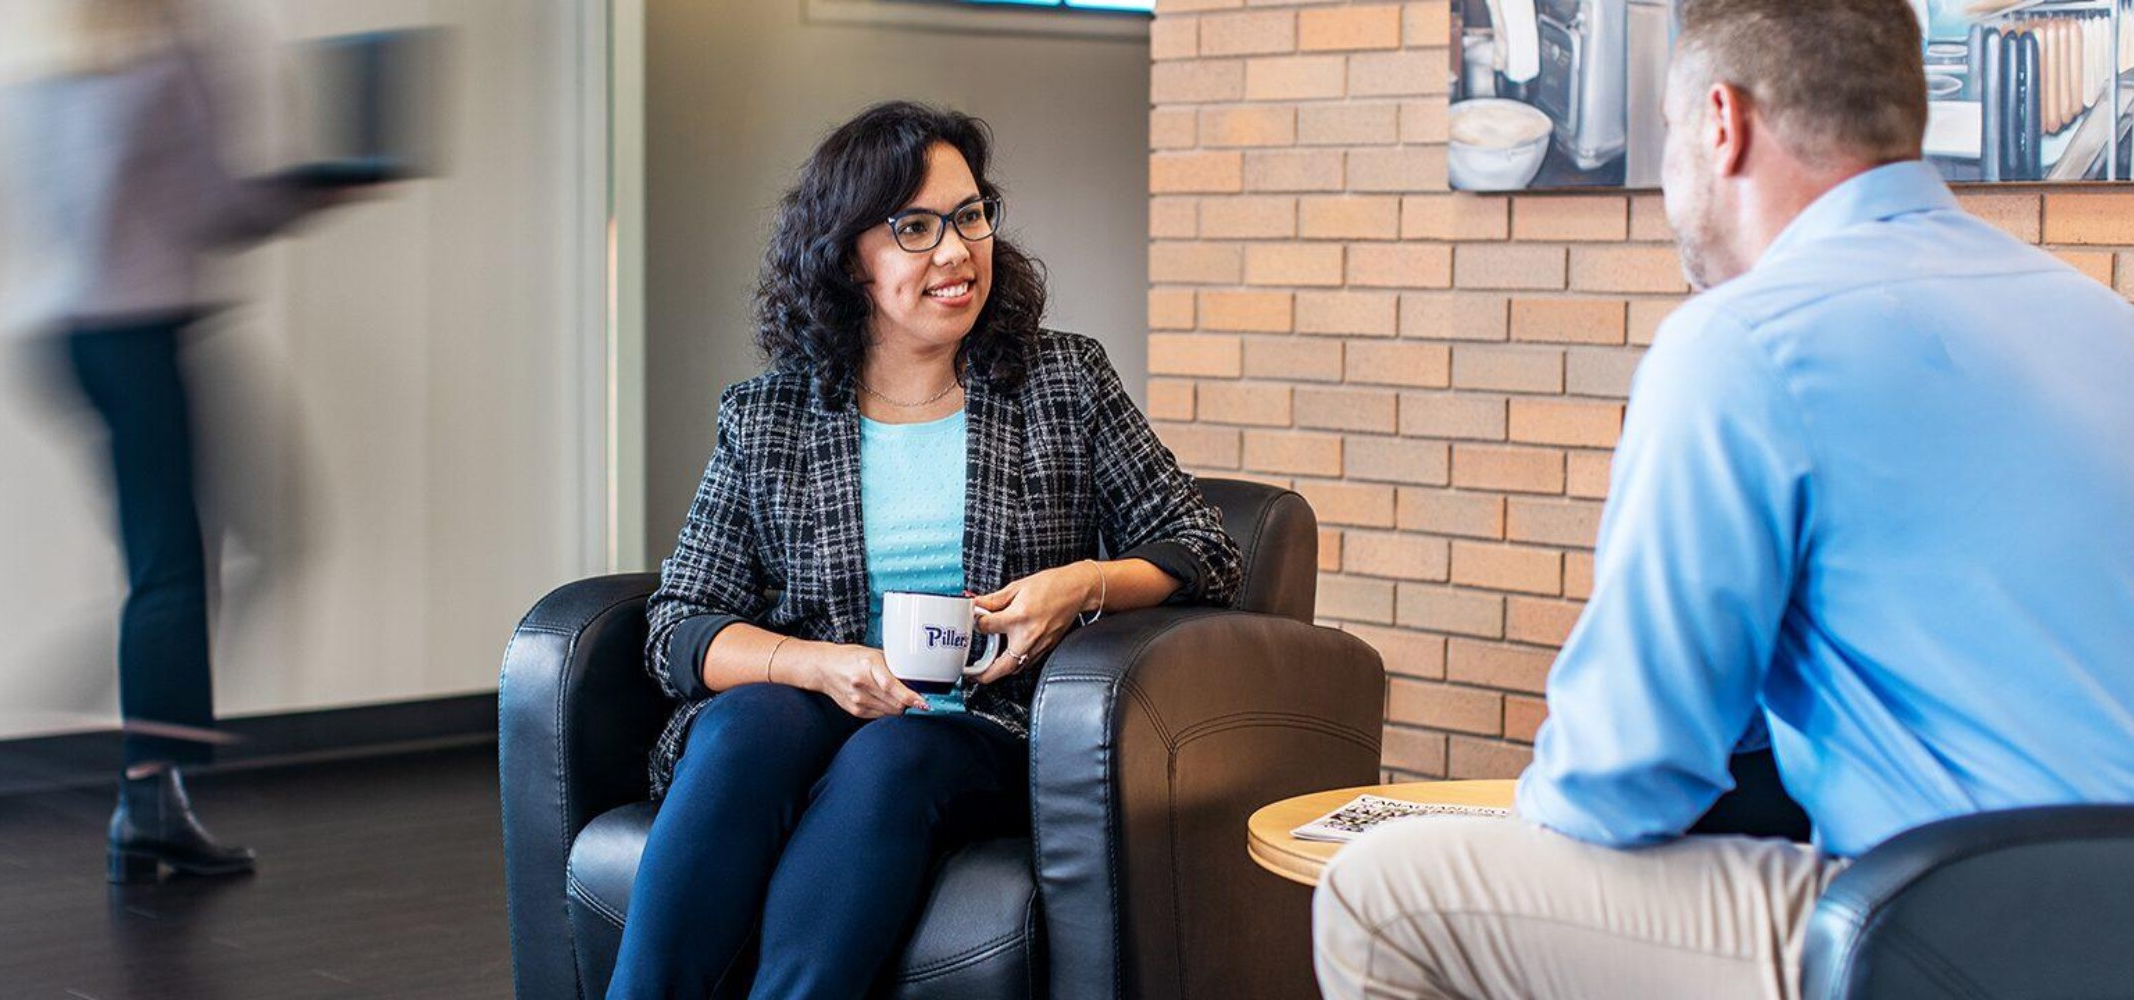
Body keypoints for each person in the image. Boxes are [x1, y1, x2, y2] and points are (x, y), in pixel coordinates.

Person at [1313, 0, 2134, 994]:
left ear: (1718, 122)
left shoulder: (1744, 342)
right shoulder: (2101, 322)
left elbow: (1618, 782)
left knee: (1384, 896)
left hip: (1955, 941)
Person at [613, 101, 1243, 998]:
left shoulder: (1062, 380)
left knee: (891, 756)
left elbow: (1203, 550)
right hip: (806, 717)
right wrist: (820, 667)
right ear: (847, 259)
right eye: (914, 228)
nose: (955, 251)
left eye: (969, 215)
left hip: (986, 727)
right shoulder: (771, 415)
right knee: (749, 722)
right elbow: (677, 629)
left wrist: (1083, 584)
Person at [0, 0, 360, 883]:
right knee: (178, 569)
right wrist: (319, 188)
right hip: (139, 331)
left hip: (59, 334)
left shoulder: (24, 57)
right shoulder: (171, 51)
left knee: (171, 563)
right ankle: (142, 794)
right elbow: (216, 206)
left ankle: (142, 782)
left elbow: (28, 208)